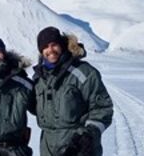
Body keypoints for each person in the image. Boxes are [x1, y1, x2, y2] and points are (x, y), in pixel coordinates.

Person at [30, 27, 113, 156]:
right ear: (41, 51)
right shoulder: (38, 79)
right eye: (45, 47)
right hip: (48, 149)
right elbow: (33, 107)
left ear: (61, 45)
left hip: (78, 149)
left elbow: (103, 108)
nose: (50, 50)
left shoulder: (84, 73)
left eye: (54, 45)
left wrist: (88, 135)